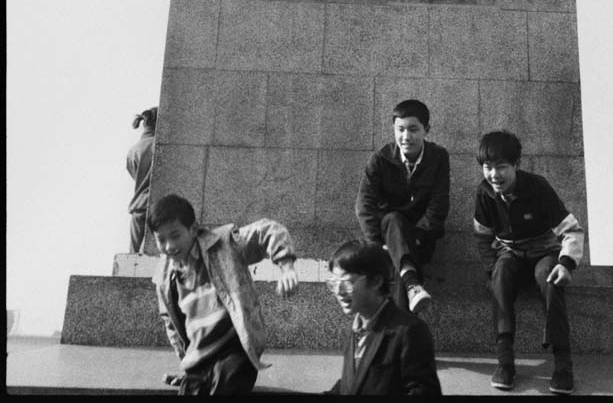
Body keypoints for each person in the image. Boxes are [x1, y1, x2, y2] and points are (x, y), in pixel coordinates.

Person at [148, 193, 298, 396]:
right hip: (198, 360)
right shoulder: (164, 278)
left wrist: (286, 265)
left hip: (233, 351)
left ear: (193, 229)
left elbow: (268, 230)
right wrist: (185, 361)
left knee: (226, 380)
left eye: (175, 236)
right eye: (161, 239)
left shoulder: (224, 244)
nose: (169, 246)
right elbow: (171, 324)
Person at [473, 130, 584, 395]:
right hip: (509, 254)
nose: (494, 175)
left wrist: (566, 264)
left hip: (544, 252)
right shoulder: (484, 193)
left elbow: (572, 230)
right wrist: (491, 269)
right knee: (499, 274)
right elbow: (481, 236)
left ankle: (563, 365)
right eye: (488, 168)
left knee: (549, 277)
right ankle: (505, 363)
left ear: (517, 165)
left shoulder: (538, 187)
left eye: (501, 167)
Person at [355, 99, 449, 316]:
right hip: (385, 239)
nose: (406, 137)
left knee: (399, 244)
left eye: (413, 130)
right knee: (392, 219)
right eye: (400, 130)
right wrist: (378, 244)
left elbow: (439, 205)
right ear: (393, 130)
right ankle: (412, 286)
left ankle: (397, 333)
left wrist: (415, 238)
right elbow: (364, 205)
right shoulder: (380, 159)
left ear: (427, 130)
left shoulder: (438, 157)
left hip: (420, 239)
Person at [325, 238, 441, 395]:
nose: (338, 291)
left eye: (346, 282)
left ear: (376, 281)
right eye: (333, 283)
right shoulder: (353, 329)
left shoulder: (410, 331)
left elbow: (423, 391)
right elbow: (353, 383)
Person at [127, 107, 157, 254]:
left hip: (137, 206)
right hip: (155, 206)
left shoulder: (133, 151)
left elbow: (135, 175)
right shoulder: (159, 147)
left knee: (133, 258)